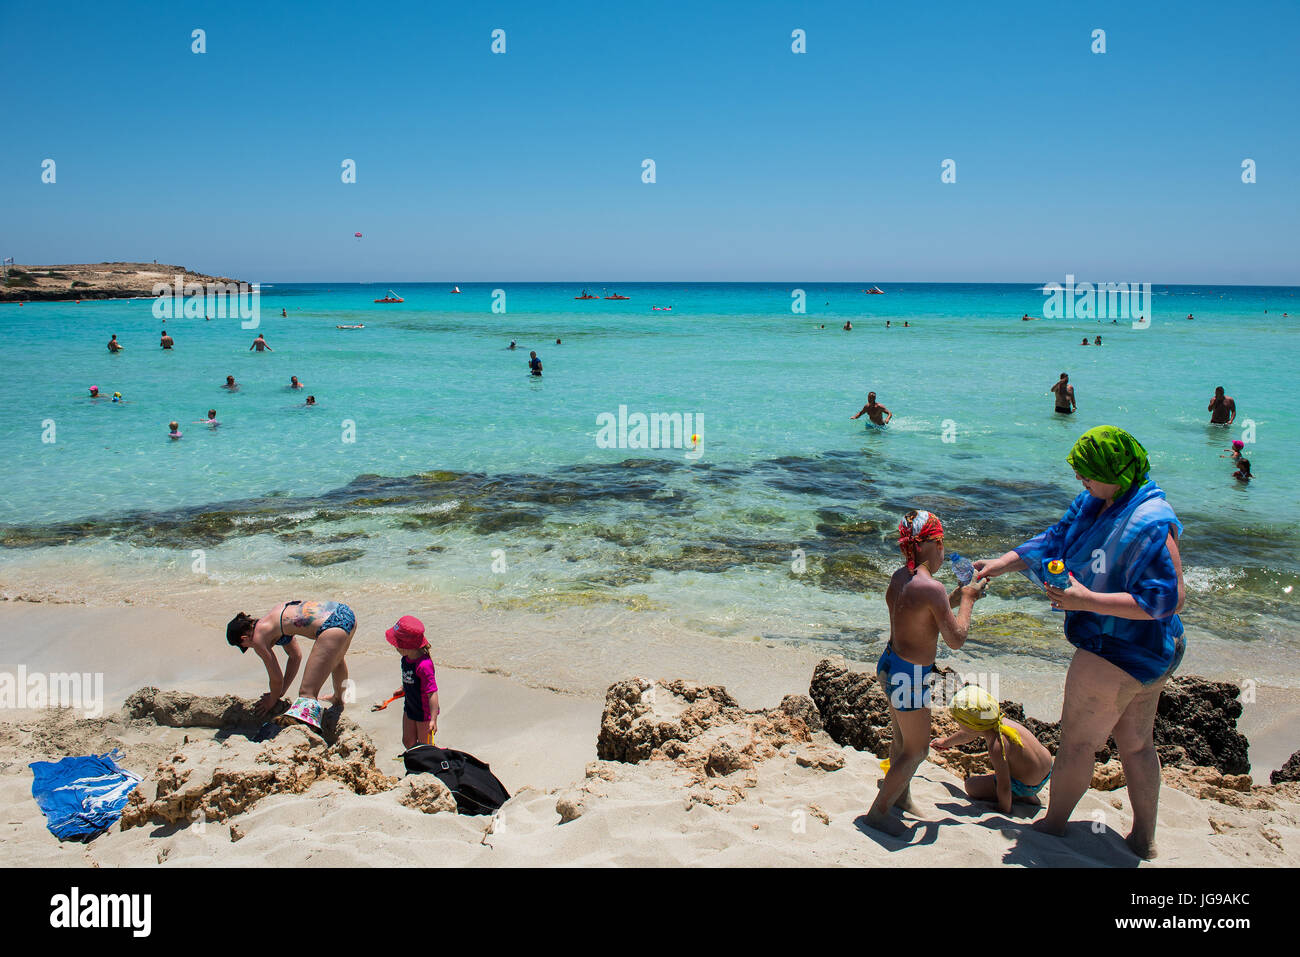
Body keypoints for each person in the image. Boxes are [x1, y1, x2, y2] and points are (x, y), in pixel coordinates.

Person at [973, 426, 1185, 858]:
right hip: (1154, 651)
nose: (1079, 479)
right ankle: (1144, 840)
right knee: (1137, 743)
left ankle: (1053, 824)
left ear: (1115, 470)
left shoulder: (1150, 521)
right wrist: (1000, 564)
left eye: (1087, 471)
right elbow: (1053, 538)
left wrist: (1086, 599)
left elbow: (1167, 599)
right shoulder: (1102, 501)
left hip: (1121, 649)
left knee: (1077, 743)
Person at [865, 510, 985, 836]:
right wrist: (970, 600)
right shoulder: (931, 587)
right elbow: (956, 638)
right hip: (910, 677)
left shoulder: (899, 577)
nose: (944, 549)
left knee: (902, 740)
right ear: (934, 543)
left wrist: (959, 593)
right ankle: (878, 813)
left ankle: (900, 798)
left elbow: (926, 612)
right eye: (941, 543)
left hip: (889, 664)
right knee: (918, 750)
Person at [226, 600, 357, 729]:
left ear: (244, 638)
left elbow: (276, 679)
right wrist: (280, 692)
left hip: (331, 627)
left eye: (245, 646)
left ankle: (306, 730)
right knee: (337, 660)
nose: (251, 647)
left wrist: (271, 700)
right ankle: (338, 699)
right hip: (345, 613)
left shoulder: (258, 638)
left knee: (307, 693)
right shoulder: (273, 618)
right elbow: (295, 657)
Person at [931, 685, 1054, 813]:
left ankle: (1023, 795)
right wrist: (946, 742)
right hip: (1046, 771)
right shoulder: (998, 721)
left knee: (971, 786)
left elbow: (1004, 785)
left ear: (972, 726)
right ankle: (1029, 793)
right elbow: (968, 734)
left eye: (959, 722)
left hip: (1027, 785)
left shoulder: (997, 745)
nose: (958, 724)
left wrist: (1003, 809)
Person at [375, 616, 441, 750]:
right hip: (410, 707)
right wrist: (403, 688)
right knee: (408, 741)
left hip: (424, 713)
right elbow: (411, 678)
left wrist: (433, 719)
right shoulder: (405, 660)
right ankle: (416, 758)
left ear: (406, 646)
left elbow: (432, 693)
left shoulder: (424, 665)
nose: (395, 647)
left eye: (396, 645)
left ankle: (430, 761)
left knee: (425, 746)